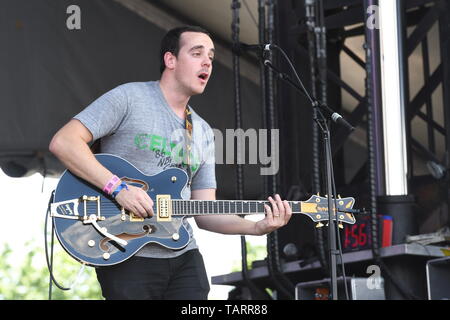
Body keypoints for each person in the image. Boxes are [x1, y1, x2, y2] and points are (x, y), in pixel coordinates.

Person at [49, 25, 292, 300]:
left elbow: (206, 212)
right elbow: (65, 141)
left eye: (211, 57)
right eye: (197, 53)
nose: (207, 63)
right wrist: (119, 189)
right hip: (125, 249)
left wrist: (257, 227)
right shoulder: (130, 98)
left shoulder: (201, 131)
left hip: (183, 253)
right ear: (170, 60)